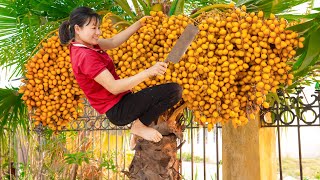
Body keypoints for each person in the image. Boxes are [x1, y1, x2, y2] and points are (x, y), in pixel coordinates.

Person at [58, 7, 182, 145]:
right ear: (78, 29)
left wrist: (139, 24)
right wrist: (148, 72)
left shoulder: (86, 45)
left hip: (123, 101)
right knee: (173, 91)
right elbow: (114, 87)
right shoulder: (85, 56)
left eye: (98, 28)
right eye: (93, 28)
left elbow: (113, 42)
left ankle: (139, 126)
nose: (98, 32)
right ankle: (139, 127)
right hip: (118, 109)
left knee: (165, 91)